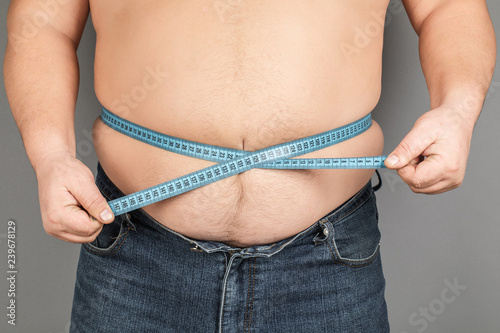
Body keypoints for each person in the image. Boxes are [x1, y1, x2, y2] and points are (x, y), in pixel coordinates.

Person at [4, 0, 496, 332]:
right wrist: (50, 155)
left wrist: (457, 108)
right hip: (135, 258)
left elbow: (447, 6)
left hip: (329, 263)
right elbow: (42, 22)